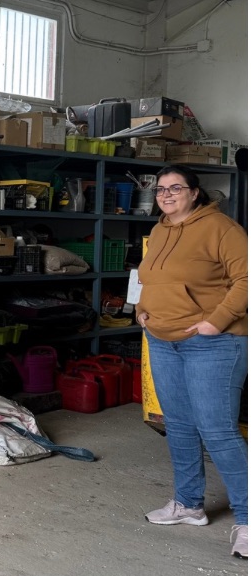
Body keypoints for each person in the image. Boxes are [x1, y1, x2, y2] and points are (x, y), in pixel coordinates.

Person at [136, 164, 247, 560]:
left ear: (195, 192)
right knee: (180, 426)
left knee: (218, 431)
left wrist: (217, 321)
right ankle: (188, 504)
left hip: (212, 343)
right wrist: (141, 310)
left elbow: (247, 278)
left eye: (175, 188)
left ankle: (248, 519)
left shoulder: (221, 228)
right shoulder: (160, 230)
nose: (166, 195)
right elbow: (150, 278)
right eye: (161, 189)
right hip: (163, 341)